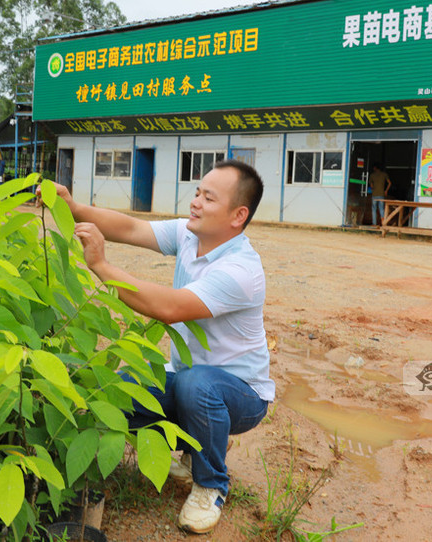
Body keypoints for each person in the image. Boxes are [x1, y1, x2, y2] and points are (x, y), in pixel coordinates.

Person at [43, 160, 273, 534]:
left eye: (208, 198)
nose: (195, 202)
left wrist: (101, 265)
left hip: (241, 396)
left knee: (196, 385)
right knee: (115, 392)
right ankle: (195, 447)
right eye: (197, 192)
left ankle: (211, 484)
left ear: (238, 215)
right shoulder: (189, 235)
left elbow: (167, 307)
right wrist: (74, 209)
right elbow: (132, 227)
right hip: (186, 379)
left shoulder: (240, 271)